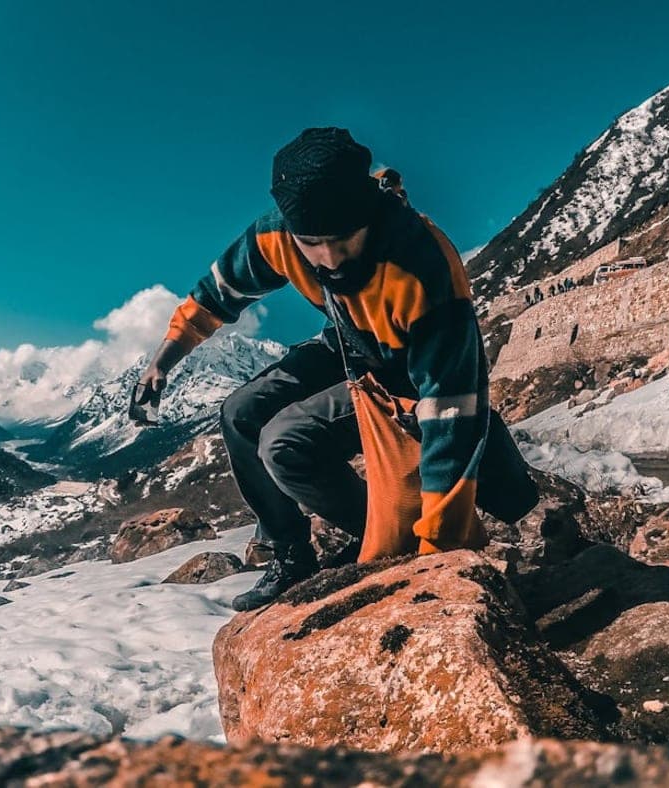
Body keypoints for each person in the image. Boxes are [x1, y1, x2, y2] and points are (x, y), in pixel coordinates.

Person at [131, 128, 536, 612]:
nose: (328, 258)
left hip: (406, 378)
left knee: (284, 444)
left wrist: (437, 558)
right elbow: (218, 293)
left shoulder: (424, 269)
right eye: (312, 243)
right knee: (241, 413)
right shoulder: (277, 235)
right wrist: (162, 360)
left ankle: (392, 539)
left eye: (342, 239)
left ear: (367, 215)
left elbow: (451, 410)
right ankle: (291, 554)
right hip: (347, 347)